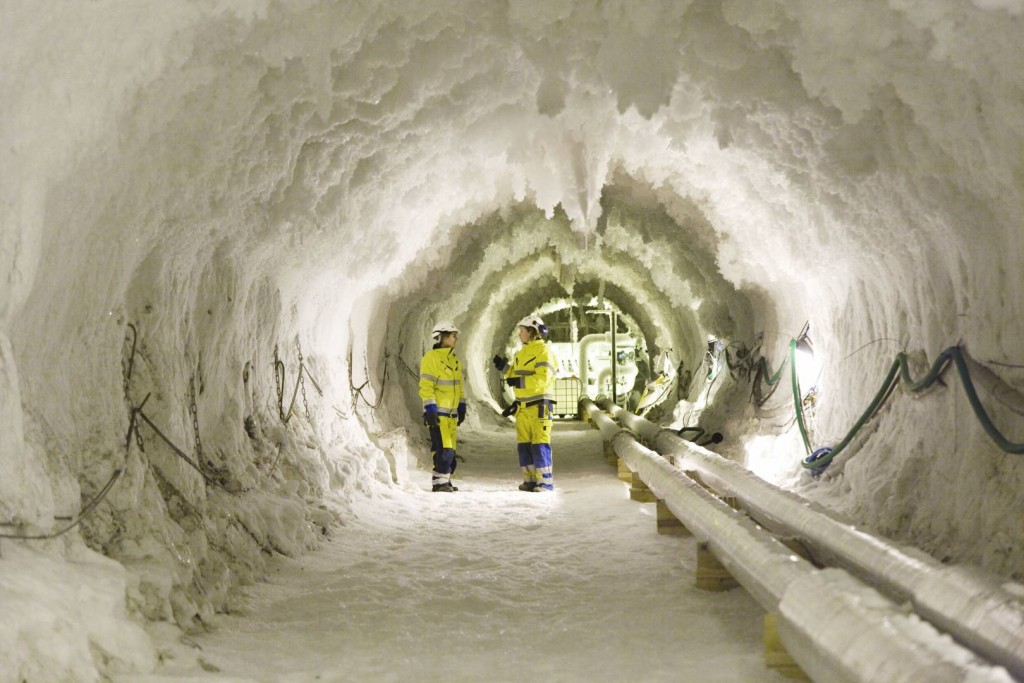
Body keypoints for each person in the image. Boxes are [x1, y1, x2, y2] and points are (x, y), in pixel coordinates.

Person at [492, 316, 557, 492]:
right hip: (523, 408)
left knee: (540, 444)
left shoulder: (544, 352)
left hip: (540, 407)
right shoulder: (520, 354)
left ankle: (545, 482)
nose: (519, 334)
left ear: (533, 332)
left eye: (522, 331)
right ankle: (530, 480)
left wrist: (520, 383)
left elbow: (542, 378)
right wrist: (504, 368)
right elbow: (514, 373)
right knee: (524, 446)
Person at [419, 321, 466, 492]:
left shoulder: (454, 360)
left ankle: (445, 480)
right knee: (443, 450)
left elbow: (459, 386)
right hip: (438, 415)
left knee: (451, 452)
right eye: (453, 336)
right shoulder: (431, 359)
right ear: (442, 337)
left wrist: (462, 405)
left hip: (451, 417)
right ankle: (439, 483)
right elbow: (426, 385)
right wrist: (430, 409)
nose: (456, 339)